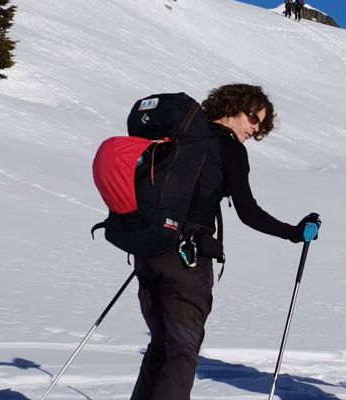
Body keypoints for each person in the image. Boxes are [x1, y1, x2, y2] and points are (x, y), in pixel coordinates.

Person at [130, 83, 321, 400]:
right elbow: (248, 212)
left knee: (161, 345)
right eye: (254, 119)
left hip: (148, 250)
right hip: (186, 258)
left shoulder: (179, 139)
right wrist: (294, 232)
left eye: (260, 125)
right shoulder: (228, 148)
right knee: (182, 350)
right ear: (233, 108)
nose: (256, 129)